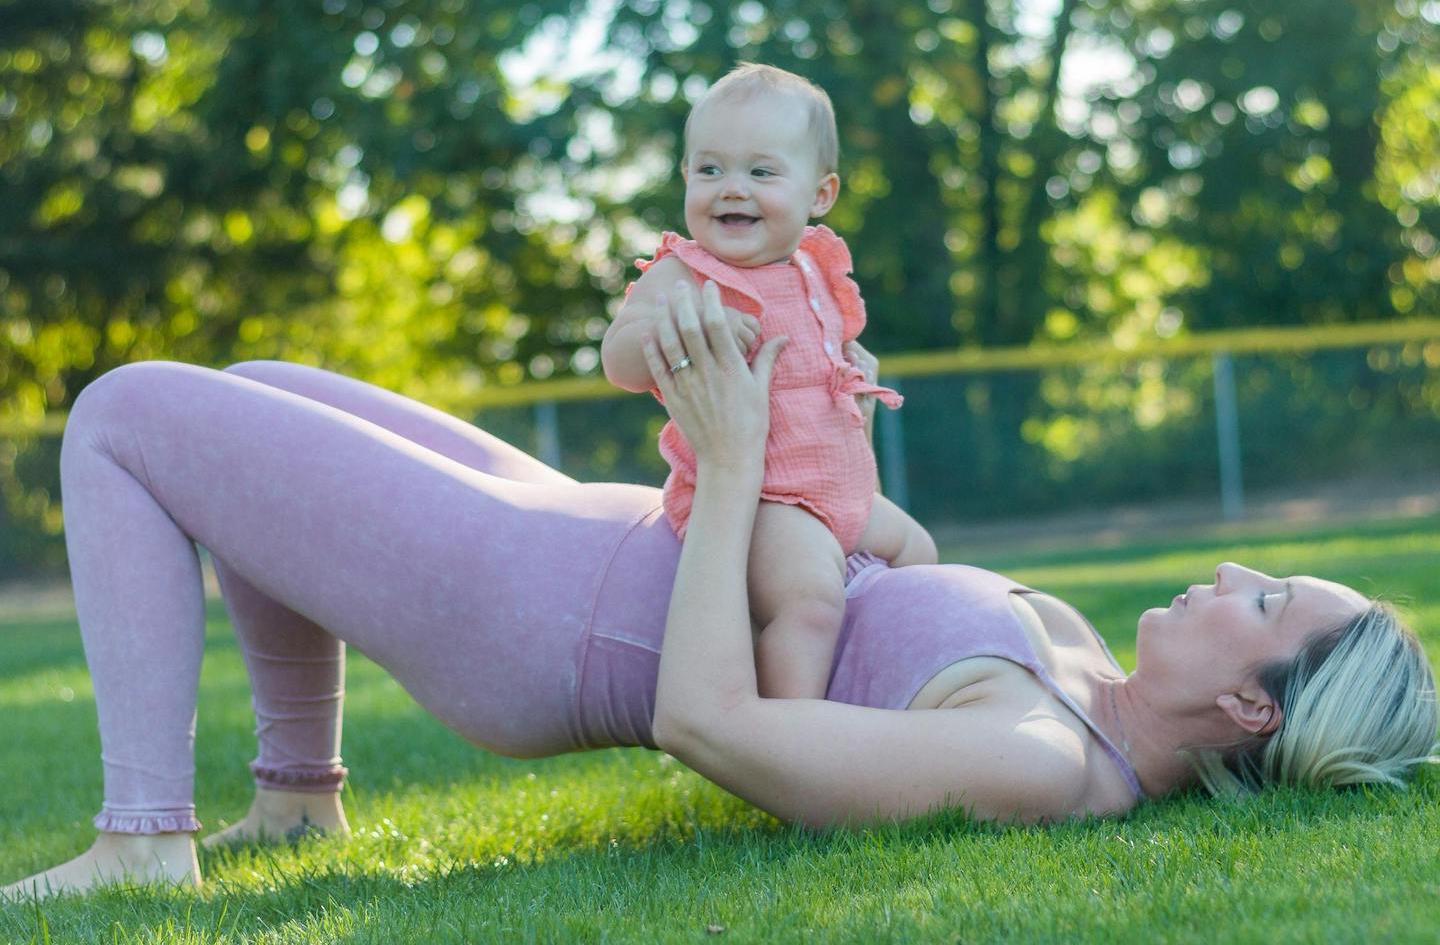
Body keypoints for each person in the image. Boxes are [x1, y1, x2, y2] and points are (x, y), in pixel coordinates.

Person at [2, 282, 1436, 901]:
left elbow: (711, 721)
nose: (1234, 572)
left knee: (129, 412)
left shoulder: (1039, 758)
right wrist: (819, 428)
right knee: (249, 393)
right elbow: (886, 588)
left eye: (1268, 599)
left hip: (536, 615)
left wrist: (741, 459)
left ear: (1255, 704)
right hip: (589, 530)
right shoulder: (1073, 678)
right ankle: (296, 797)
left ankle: (145, 838)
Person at [602, 62, 937, 699]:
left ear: (820, 195)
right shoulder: (686, 274)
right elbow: (618, 359)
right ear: (686, 179)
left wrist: (852, 363)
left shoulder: (813, 268)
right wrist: (697, 330)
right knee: (809, 602)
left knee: (920, 554)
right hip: (761, 501)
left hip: (840, 490)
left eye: (761, 171)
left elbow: (816, 352)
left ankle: (883, 693)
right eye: (710, 169)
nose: (732, 188)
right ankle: (784, 736)